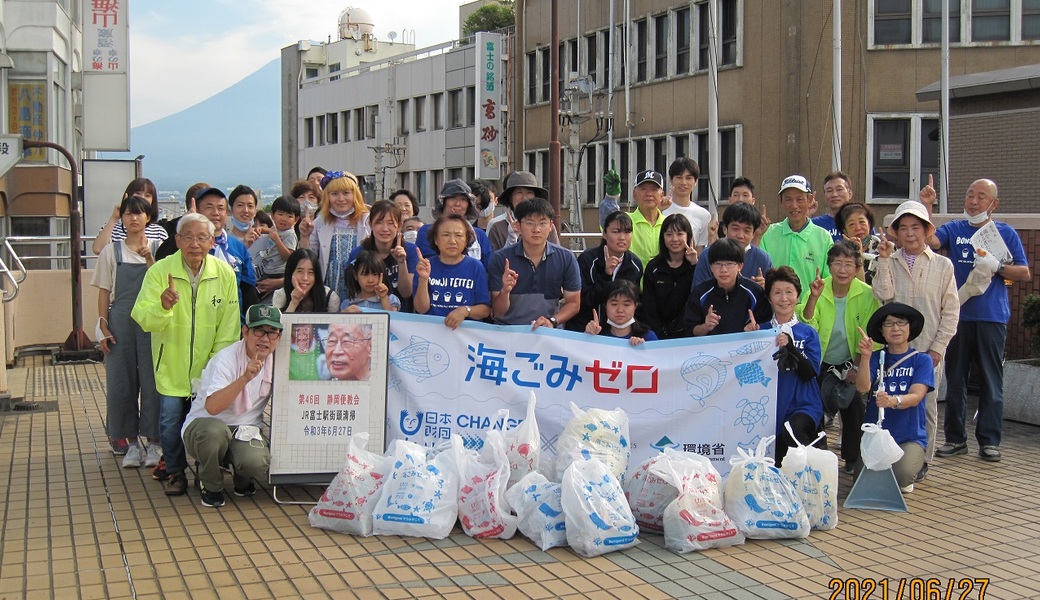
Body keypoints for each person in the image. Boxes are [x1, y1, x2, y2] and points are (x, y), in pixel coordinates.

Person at [131, 213, 241, 496]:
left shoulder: (224, 272)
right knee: (169, 421)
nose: (195, 243)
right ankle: (176, 471)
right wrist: (163, 306)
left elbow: (229, 324)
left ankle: (207, 472)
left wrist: (217, 365)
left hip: (209, 367)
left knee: (209, 423)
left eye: (202, 237)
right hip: (171, 363)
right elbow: (143, 316)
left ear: (212, 240)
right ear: (177, 240)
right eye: (188, 237)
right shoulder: (159, 272)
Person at [927, 178, 1031, 463]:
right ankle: (956, 438)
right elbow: (932, 240)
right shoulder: (955, 229)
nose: (973, 201)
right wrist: (927, 206)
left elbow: (1024, 273)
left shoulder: (1005, 233)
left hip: (991, 316)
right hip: (956, 316)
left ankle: (989, 440)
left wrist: (997, 266)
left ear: (993, 204)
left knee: (990, 379)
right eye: (970, 195)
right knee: (956, 378)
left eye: (981, 197)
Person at [872, 199, 958, 482]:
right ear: (895, 231)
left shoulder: (943, 265)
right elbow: (882, 295)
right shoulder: (889, 260)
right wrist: (883, 260)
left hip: (928, 350)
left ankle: (922, 461)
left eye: (916, 227)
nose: (910, 233)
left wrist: (938, 348)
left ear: (926, 230)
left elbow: (951, 310)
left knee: (928, 406)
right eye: (904, 228)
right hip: (895, 349)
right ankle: (889, 455)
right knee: (890, 400)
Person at [182, 304, 283, 507]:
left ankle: (242, 478)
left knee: (256, 461)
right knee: (215, 432)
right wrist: (245, 377)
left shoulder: (278, 362)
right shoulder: (225, 360)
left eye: (272, 333)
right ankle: (210, 484)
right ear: (245, 332)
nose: (265, 339)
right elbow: (213, 407)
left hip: (244, 429)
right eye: (259, 331)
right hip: (205, 426)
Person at [91, 195, 163, 467]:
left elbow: (166, 286)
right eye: (128, 214)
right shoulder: (112, 251)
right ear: (122, 219)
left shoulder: (158, 249)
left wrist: (150, 260)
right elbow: (104, 292)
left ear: (148, 217)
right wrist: (103, 325)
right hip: (120, 322)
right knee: (121, 384)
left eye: (139, 213)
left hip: (153, 325)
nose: (134, 218)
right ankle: (130, 443)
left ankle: (154, 443)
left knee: (154, 382)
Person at [800, 241, 881, 473]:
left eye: (849, 264)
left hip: (850, 360)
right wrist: (813, 297)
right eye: (837, 263)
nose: (842, 270)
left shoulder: (867, 295)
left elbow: (868, 334)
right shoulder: (817, 287)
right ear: (829, 265)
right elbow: (807, 323)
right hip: (819, 361)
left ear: (858, 268)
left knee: (854, 403)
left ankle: (852, 457)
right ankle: (818, 453)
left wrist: (855, 367)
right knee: (813, 403)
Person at [855, 303, 934, 492]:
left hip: (908, 437)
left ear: (910, 328)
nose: (895, 328)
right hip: (877, 436)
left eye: (901, 323)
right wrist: (865, 357)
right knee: (861, 482)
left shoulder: (922, 360)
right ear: (882, 331)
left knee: (902, 475)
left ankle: (908, 470)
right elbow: (862, 387)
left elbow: (916, 396)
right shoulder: (875, 357)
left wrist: (893, 401)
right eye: (889, 324)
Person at [751, 266, 825, 466]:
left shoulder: (808, 333)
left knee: (793, 432)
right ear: (769, 298)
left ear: (798, 296)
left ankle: (813, 478)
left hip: (804, 403)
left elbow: (810, 372)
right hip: (770, 406)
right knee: (775, 463)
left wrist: (791, 347)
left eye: (789, 292)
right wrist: (748, 339)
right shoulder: (761, 330)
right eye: (777, 293)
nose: (784, 298)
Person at [488, 197, 581, 328]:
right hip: (508, 333)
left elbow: (574, 303)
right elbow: (497, 312)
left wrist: (552, 321)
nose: (536, 229)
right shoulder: (500, 259)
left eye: (542, 223)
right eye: (530, 223)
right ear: (519, 226)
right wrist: (505, 291)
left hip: (548, 332)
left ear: (550, 226)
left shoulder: (566, 258)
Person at [298, 171, 371, 307]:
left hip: (359, 283)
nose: (341, 198)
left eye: (346, 193)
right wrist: (304, 236)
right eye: (335, 194)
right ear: (328, 197)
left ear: (355, 194)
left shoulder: (367, 220)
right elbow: (309, 257)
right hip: (328, 283)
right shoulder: (320, 221)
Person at [566, 211, 644, 332]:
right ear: (604, 234)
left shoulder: (635, 265)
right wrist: (606, 275)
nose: (622, 237)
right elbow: (582, 302)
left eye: (627, 232)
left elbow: (634, 303)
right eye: (616, 232)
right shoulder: (588, 260)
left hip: (617, 333)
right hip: (585, 329)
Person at [760, 175, 832, 303]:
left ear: (810, 200)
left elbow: (828, 280)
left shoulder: (824, 238)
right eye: (788, 199)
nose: (794, 206)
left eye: (800, 199)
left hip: (811, 313)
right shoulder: (768, 233)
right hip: (774, 312)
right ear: (781, 202)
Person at [413, 214, 492, 328]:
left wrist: (466, 311)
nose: (452, 241)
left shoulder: (476, 267)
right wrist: (423, 279)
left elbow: (485, 310)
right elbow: (421, 309)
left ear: (466, 240)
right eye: (446, 235)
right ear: (436, 239)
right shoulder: (425, 266)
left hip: (465, 338)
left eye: (459, 235)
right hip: (431, 333)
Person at [683, 238, 771, 337]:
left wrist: (756, 329)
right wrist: (705, 327)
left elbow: (768, 326)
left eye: (729, 264)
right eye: (718, 264)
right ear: (711, 267)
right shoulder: (700, 293)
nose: (723, 270)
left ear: (740, 266)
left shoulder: (755, 292)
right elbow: (689, 330)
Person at [195, 187, 260, 320]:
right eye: (209, 207)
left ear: (227, 212)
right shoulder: (190, 247)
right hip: (197, 323)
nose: (215, 213)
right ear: (197, 211)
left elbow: (248, 289)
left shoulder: (237, 247)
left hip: (233, 325)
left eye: (220, 208)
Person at [348, 200, 419, 307]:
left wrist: (402, 262)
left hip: (400, 315)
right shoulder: (358, 253)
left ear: (399, 225)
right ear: (370, 224)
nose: (385, 229)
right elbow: (352, 290)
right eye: (379, 222)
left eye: (390, 223)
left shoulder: (410, 250)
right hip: (367, 312)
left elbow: (406, 293)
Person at [414, 179, 494, 269]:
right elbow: (433, 264)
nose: (457, 204)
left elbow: (488, 268)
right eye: (452, 198)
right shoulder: (427, 231)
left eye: (463, 199)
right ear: (443, 202)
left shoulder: (479, 235)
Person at [641, 214, 697, 339]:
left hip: (687, 334)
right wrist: (659, 333)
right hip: (658, 335)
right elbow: (649, 306)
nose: (674, 239)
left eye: (680, 234)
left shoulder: (694, 267)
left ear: (688, 237)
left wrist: (694, 265)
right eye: (669, 234)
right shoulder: (654, 267)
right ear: (663, 237)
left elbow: (697, 299)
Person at [693, 202, 771, 289]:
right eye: (735, 229)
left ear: (753, 233)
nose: (740, 235)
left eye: (747, 231)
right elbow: (698, 294)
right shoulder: (707, 255)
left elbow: (774, 295)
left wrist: (763, 290)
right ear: (725, 229)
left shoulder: (763, 259)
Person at [92, 178, 168, 255]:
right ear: (128, 195)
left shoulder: (159, 232)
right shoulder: (112, 228)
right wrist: (114, 218)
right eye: (138, 193)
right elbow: (98, 250)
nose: (142, 198)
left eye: (147, 195)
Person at [488, 171, 560, 251]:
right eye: (519, 192)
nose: (524, 197)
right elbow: (494, 261)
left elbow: (556, 255)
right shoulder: (497, 227)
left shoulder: (545, 225)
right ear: (510, 198)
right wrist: (511, 238)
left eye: (529, 192)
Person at [250, 195, 301, 302]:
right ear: (272, 215)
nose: (284, 219)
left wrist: (277, 240)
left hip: (278, 272)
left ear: (296, 220)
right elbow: (268, 230)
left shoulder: (290, 234)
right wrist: (260, 229)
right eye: (280, 214)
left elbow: (288, 257)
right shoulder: (275, 229)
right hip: (267, 270)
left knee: (264, 297)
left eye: (289, 216)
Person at [584, 280, 657, 346]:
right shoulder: (597, 335)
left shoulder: (648, 338)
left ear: (635, 306)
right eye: (614, 304)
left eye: (626, 305)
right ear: (605, 305)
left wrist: (644, 349)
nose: (620, 310)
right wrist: (587, 336)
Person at [661, 158, 711, 250]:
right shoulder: (661, 209)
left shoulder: (703, 215)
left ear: (695, 182)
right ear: (671, 180)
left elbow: (699, 251)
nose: (684, 182)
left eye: (688, 178)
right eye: (679, 177)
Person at [155, 183, 211, 259]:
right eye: (208, 206)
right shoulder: (172, 227)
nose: (214, 212)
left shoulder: (217, 230)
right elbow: (161, 256)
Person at [275, 248, 340, 313]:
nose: (305, 278)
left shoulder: (330, 297)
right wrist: (294, 303)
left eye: (310, 272)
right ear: (290, 273)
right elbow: (282, 323)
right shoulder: (280, 295)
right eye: (300, 271)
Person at [836, 202, 881, 283]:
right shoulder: (839, 252)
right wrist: (857, 253)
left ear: (869, 224)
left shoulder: (883, 248)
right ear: (844, 231)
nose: (858, 228)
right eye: (852, 224)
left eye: (862, 222)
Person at [812, 171, 854, 242]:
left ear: (850, 194)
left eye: (839, 189)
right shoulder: (814, 224)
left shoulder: (861, 223)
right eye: (829, 191)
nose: (834, 194)